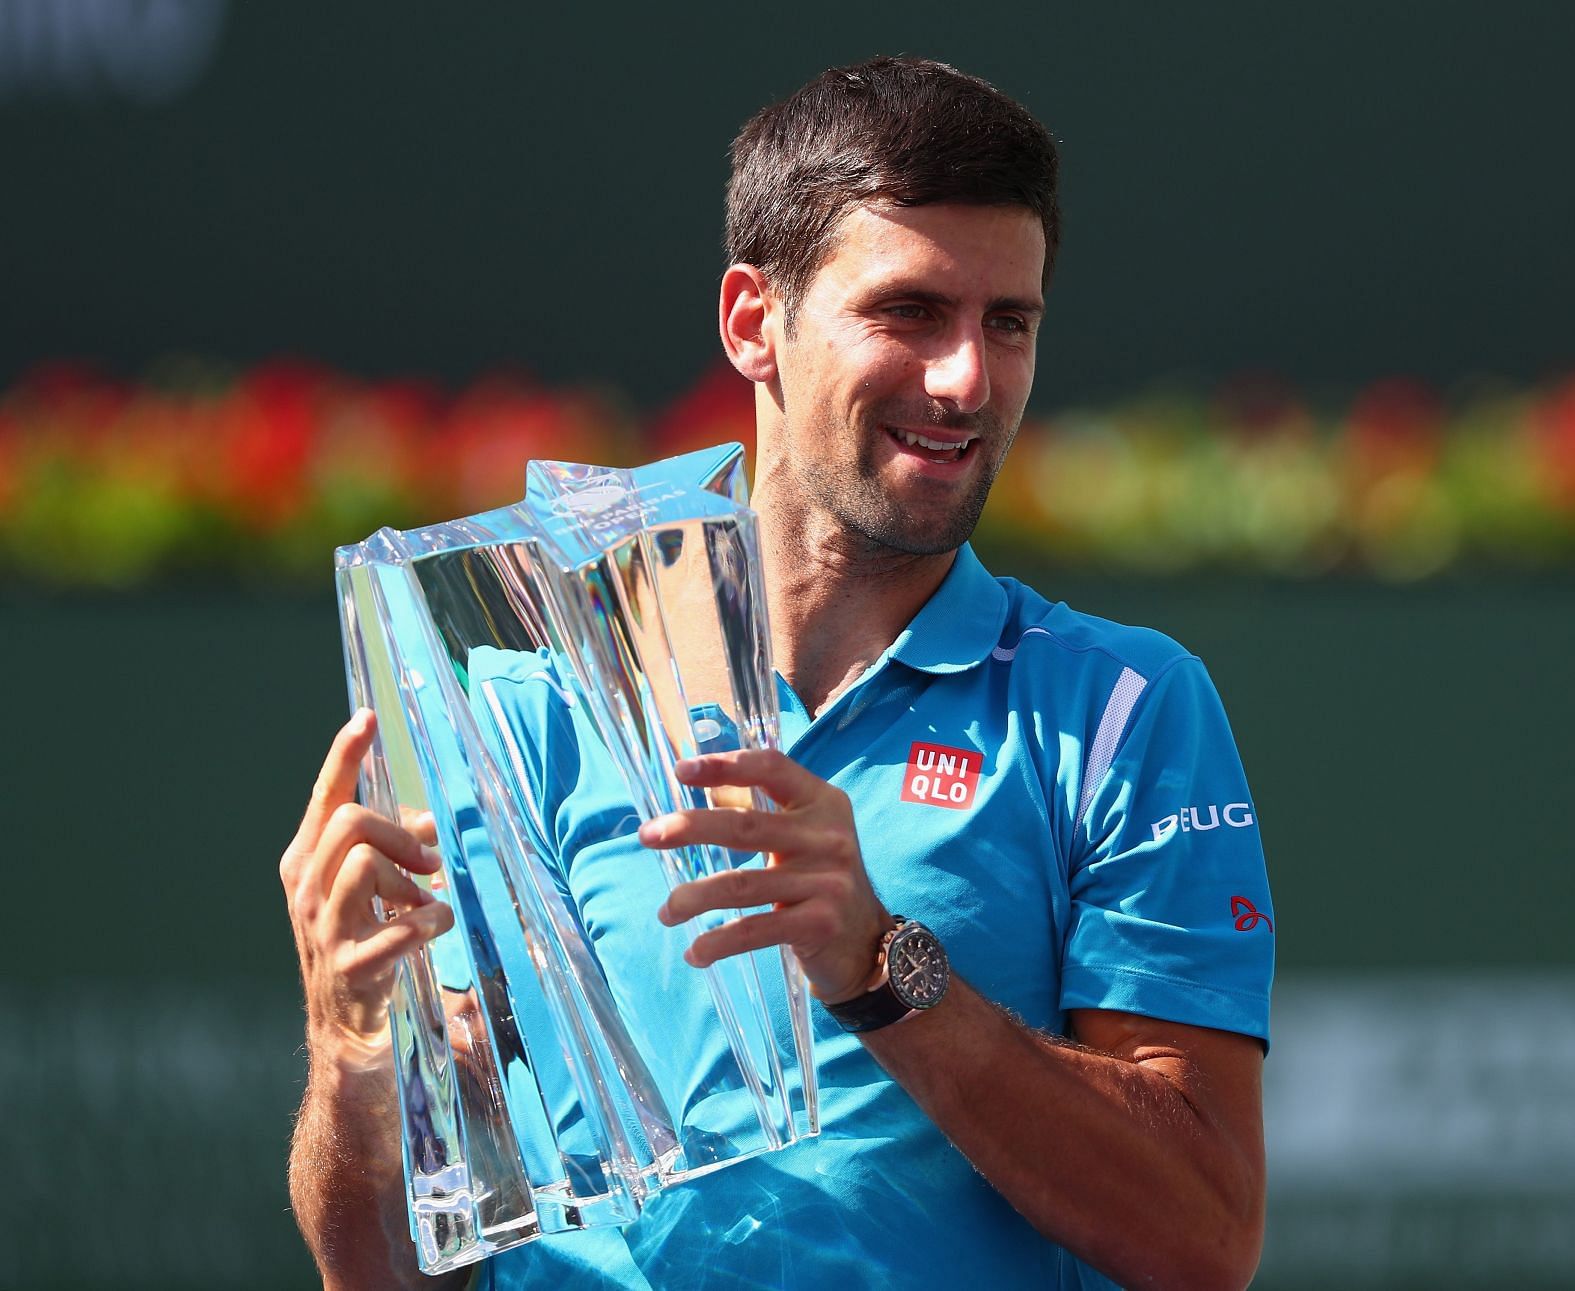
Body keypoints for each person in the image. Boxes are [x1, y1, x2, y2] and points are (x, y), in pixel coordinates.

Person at [282, 56, 1274, 1290]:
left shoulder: (1123, 709)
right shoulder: (522, 712)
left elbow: (1204, 1234)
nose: (967, 377)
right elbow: (382, 1273)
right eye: (910, 311)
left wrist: (886, 967)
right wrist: (352, 1054)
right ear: (756, 322)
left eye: (1007, 323)